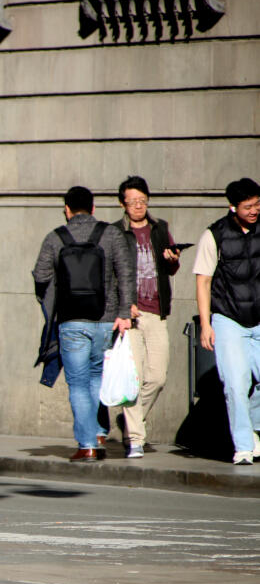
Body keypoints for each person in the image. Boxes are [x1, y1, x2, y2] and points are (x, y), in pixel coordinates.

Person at [32, 186, 133, 461]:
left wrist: (54, 303)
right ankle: (99, 433)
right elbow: (126, 275)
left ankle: (88, 444)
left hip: (71, 321)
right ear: (93, 207)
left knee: (77, 383)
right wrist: (123, 312)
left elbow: (40, 276)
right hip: (106, 320)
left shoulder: (55, 238)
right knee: (96, 378)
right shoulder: (110, 234)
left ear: (67, 209)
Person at [192, 177, 260, 465]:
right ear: (233, 207)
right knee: (235, 383)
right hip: (229, 318)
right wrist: (206, 325)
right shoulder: (215, 235)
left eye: (258, 204)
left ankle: (254, 428)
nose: (255, 210)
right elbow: (203, 281)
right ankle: (244, 446)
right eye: (248, 206)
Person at [112, 176, 181, 458]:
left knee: (158, 377)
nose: (139, 206)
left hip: (156, 311)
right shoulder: (116, 232)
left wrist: (173, 260)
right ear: (123, 204)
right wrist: (122, 305)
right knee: (134, 378)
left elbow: (171, 268)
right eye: (133, 201)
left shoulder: (160, 228)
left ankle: (131, 421)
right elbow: (110, 273)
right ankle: (136, 439)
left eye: (143, 200)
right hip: (130, 315)